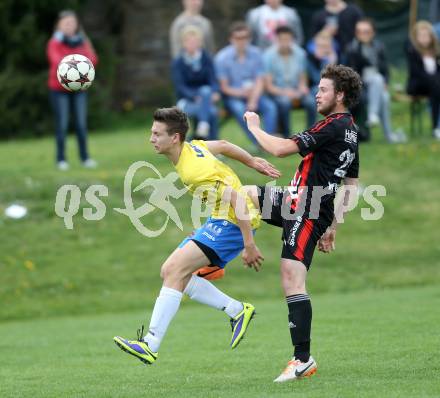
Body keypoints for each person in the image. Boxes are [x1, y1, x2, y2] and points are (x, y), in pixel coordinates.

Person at [114, 107, 281, 365]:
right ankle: (237, 311)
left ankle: (150, 344)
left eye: (157, 134)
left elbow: (237, 199)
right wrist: (253, 162)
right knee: (170, 270)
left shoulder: (194, 169)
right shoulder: (193, 148)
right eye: (152, 133)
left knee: (175, 270)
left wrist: (249, 244)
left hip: (235, 222)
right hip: (221, 219)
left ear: (175, 138)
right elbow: (224, 145)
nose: (151, 139)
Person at [242, 64, 362, 382]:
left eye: (323, 89)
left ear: (340, 95)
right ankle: (218, 257)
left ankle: (302, 359)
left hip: (306, 210)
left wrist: (253, 127)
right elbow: (351, 185)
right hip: (297, 202)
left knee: (292, 280)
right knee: (242, 195)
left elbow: (281, 150)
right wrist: (334, 226)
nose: (316, 93)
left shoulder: (334, 126)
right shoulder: (349, 130)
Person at [46, 10, 98, 170]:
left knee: (81, 125)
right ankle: (61, 159)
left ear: (77, 25)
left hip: (79, 89)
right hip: (59, 89)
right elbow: (57, 62)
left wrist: (83, 65)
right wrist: (79, 65)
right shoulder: (54, 43)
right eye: (66, 23)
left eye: (72, 23)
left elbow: (94, 60)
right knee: (62, 125)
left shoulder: (82, 41)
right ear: (59, 25)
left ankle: (85, 158)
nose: (70, 25)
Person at [215, 22, 278, 148]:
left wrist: (253, 99)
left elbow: (260, 80)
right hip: (234, 96)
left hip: (255, 94)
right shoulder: (222, 58)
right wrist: (243, 93)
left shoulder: (256, 54)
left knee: (270, 107)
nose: (241, 41)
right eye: (238, 38)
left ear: (249, 39)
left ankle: (268, 141)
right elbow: (224, 87)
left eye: (244, 37)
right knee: (239, 109)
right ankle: (259, 143)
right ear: (231, 39)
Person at [346, 18, 405, 143]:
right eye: (359, 32)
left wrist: (385, 83)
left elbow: (385, 70)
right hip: (361, 86)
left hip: (377, 85)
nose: (362, 34)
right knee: (379, 81)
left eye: (366, 31)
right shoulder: (352, 48)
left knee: (384, 95)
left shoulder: (379, 47)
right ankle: (383, 127)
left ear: (373, 32)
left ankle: (384, 130)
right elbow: (352, 73)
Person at [264, 26, 316, 137]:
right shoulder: (268, 56)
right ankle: (287, 136)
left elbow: (303, 79)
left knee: (311, 102)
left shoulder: (300, 54)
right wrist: (286, 92)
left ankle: (311, 135)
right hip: (278, 92)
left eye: (288, 39)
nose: (285, 43)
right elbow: (269, 86)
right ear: (276, 40)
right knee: (284, 102)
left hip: (296, 90)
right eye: (282, 39)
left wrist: (302, 89)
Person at [171, 25, 220, 140]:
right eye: (189, 41)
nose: (192, 44)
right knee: (210, 111)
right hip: (187, 100)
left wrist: (215, 92)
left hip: (206, 97)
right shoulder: (178, 62)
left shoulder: (206, 59)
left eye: (195, 41)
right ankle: (192, 142)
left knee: (207, 93)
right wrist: (195, 97)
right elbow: (180, 86)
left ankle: (213, 147)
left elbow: (213, 80)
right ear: (183, 43)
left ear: (200, 43)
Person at [406, 20, 440, 139]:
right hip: (418, 85)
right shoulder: (412, 51)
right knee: (436, 85)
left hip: (435, 87)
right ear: (416, 37)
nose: (425, 38)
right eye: (422, 36)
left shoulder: (436, 51)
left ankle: (436, 126)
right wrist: (434, 78)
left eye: (427, 35)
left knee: (436, 88)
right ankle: (436, 127)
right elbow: (416, 72)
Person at [307, 30, 338, 97]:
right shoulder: (310, 58)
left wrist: (332, 62)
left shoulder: (335, 57)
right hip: (313, 88)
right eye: (320, 46)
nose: (323, 49)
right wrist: (318, 60)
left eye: (325, 46)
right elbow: (317, 79)